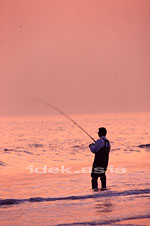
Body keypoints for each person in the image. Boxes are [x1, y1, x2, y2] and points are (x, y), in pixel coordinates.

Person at [89, 127, 110, 191]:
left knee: (94, 177)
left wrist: (91, 146)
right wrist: (96, 144)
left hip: (98, 162)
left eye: (98, 132)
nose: (98, 133)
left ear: (100, 133)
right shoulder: (108, 142)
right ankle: (104, 188)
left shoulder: (100, 141)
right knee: (102, 175)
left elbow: (94, 150)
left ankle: (95, 191)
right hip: (105, 162)